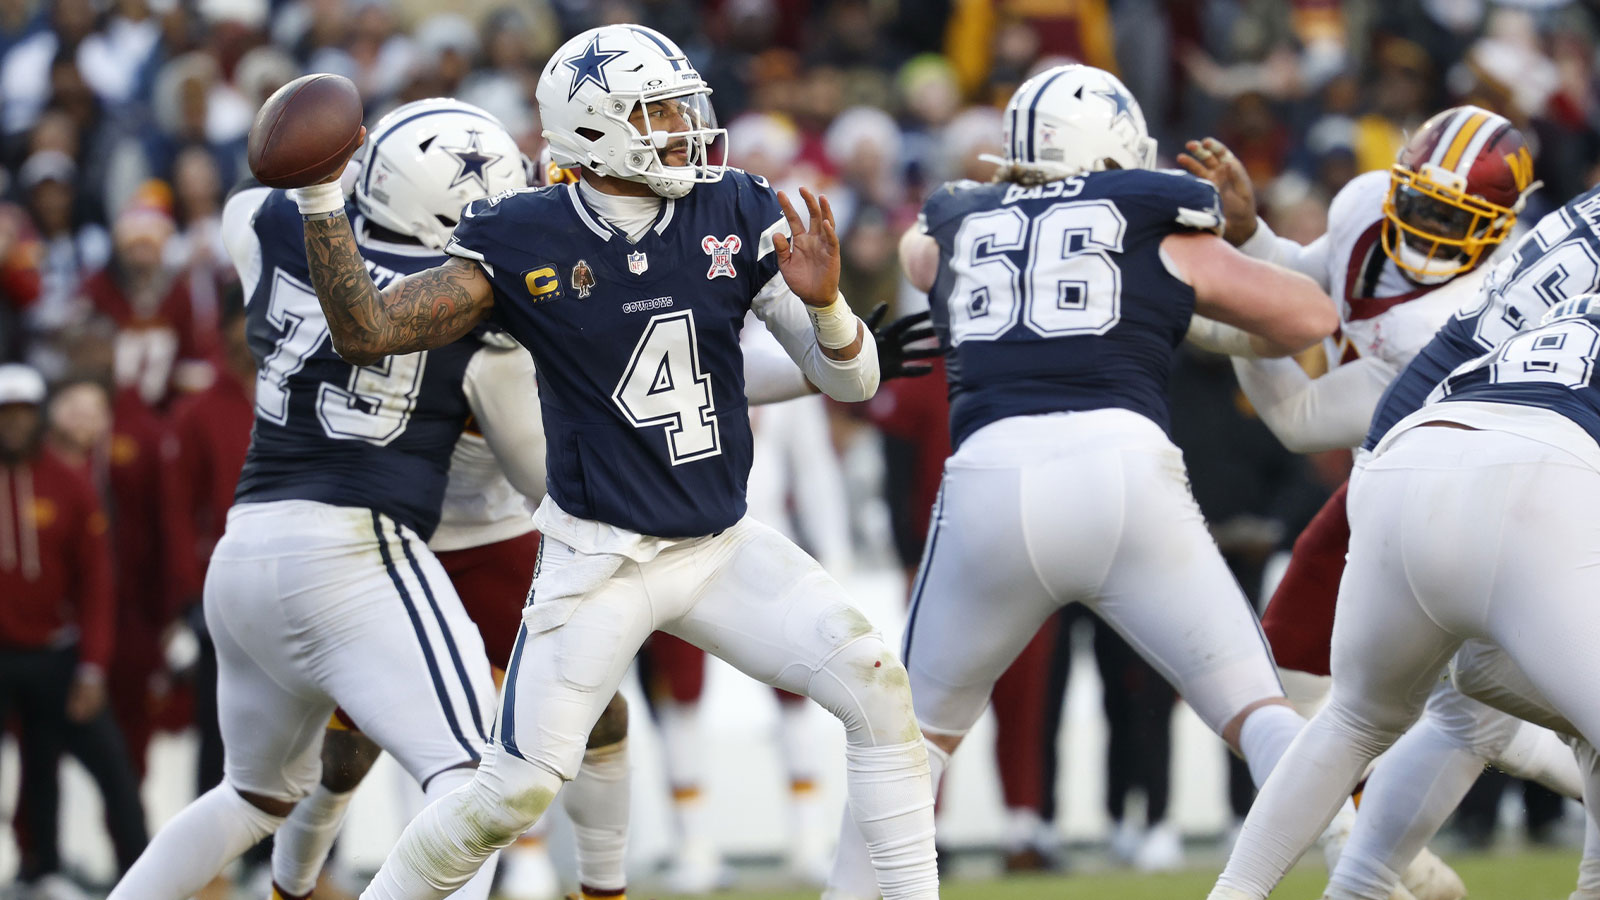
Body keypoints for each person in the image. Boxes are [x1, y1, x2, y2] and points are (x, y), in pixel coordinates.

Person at [287, 24, 938, 900]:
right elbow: (367, 332)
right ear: (593, 128)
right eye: (659, 110)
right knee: (508, 793)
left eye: (682, 105)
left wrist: (827, 308)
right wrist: (322, 201)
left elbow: (850, 380)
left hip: (723, 545)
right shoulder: (525, 235)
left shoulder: (734, 204)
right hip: (601, 560)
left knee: (878, 690)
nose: (685, 126)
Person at [828, 62, 1338, 900]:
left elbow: (922, 256)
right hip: (1122, 466)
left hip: (988, 476)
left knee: (910, 748)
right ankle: (1365, 863)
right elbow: (1307, 318)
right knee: (1258, 711)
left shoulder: (957, 219)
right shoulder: (1152, 218)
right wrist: (1204, 272)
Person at [107, 98, 553, 900]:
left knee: (250, 796)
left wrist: (321, 170)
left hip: (245, 549)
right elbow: (541, 479)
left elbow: (255, 199)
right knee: (476, 786)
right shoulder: (478, 305)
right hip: (358, 548)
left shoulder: (273, 225)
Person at [1181, 110, 1583, 900]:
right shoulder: (1367, 204)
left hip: (1427, 469)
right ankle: (1371, 868)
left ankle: (1361, 870)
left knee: (1420, 708)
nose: (1426, 229)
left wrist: (1223, 312)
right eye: (1419, 205)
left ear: (1505, 226)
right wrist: (1251, 241)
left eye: (1451, 217)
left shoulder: (1453, 310)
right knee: (1405, 699)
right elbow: (1306, 284)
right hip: (1456, 472)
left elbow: (1297, 413)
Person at [0, 362, 116, 900]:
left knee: (46, 765)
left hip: (51, 652)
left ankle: (44, 868)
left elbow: (96, 582)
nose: (15, 425)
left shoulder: (68, 482)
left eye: (25, 413)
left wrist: (92, 663)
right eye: (6, 414)